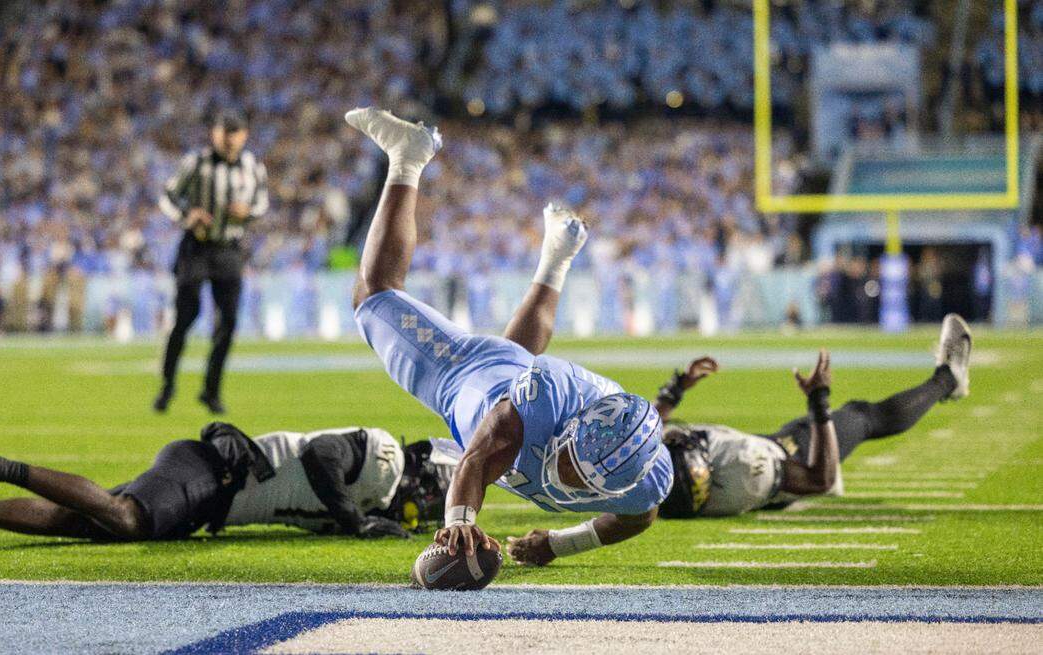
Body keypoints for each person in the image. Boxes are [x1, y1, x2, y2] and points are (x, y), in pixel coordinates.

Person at [344, 107, 672, 573]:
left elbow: (639, 516)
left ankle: (558, 255)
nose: (566, 475)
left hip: (514, 378)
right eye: (573, 460)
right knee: (372, 293)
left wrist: (562, 544)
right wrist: (459, 520)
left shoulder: (644, 480)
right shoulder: (544, 401)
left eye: (583, 479)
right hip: (467, 377)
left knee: (517, 357)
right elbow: (478, 456)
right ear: (574, 425)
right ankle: (408, 157)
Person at [0, 423, 457, 548]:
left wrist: (356, 521)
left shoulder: (380, 489)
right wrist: (353, 521)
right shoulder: (382, 454)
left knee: (97, 524)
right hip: (210, 470)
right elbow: (320, 456)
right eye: (432, 492)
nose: (424, 505)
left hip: (212, 496)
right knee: (125, 517)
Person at [648, 313, 972, 519]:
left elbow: (646, 435)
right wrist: (819, 401)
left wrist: (675, 390)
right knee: (864, 416)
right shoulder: (745, 470)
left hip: (766, 463)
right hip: (791, 459)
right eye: (677, 444)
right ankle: (948, 379)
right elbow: (820, 479)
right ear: (704, 464)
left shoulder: (652, 485)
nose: (672, 435)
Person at [154, 109, 269, 415]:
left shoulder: (253, 166)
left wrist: (248, 212)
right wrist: (185, 216)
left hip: (229, 249)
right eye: (223, 131)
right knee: (185, 318)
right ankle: (167, 385)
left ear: (244, 135)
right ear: (214, 134)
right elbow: (167, 196)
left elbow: (262, 203)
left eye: (234, 132)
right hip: (197, 247)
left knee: (228, 323)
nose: (229, 138)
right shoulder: (196, 163)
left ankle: (211, 390)